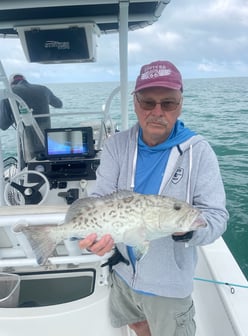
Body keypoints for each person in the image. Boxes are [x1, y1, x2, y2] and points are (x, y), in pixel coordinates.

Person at [79, 60, 229, 336]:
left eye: (168, 103)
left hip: (168, 285)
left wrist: (186, 231)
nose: (157, 112)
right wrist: (95, 238)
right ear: (135, 102)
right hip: (122, 272)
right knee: (137, 325)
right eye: (148, 103)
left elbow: (217, 216)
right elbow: (99, 198)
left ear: (180, 103)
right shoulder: (117, 145)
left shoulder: (199, 152)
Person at [0, 73, 63, 160]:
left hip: (27, 146)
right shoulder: (43, 89)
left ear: (11, 83)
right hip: (46, 142)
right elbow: (59, 104)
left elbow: (3, 125)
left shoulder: (9, 93)